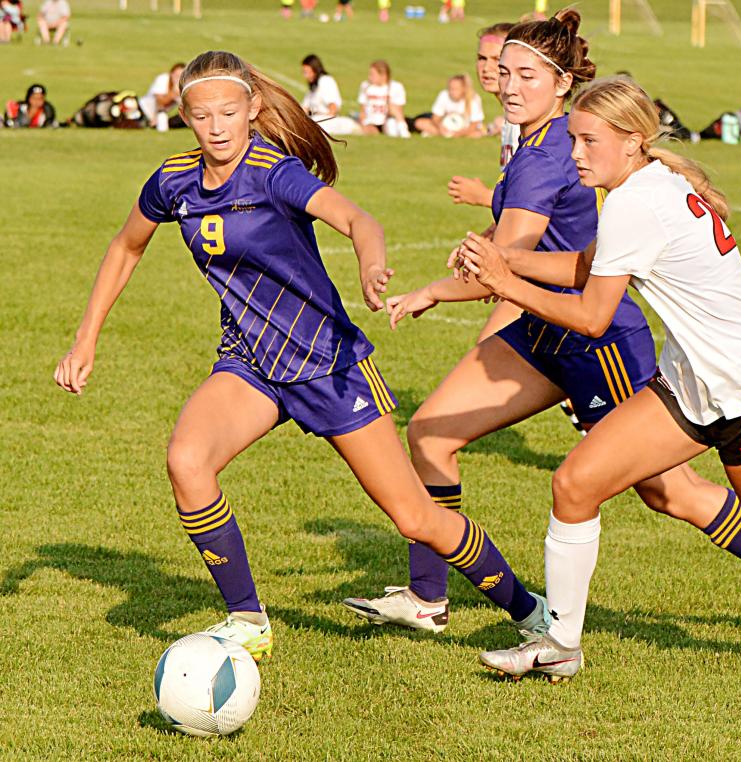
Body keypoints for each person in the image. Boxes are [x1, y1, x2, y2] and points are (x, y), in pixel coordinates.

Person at [342, 13, 741, 651]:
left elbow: (507, 265)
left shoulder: (548, 155)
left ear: (562, 82)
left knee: (670, 492)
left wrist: (439, 288)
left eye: (526, 75)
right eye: (503, 70)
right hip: (539, 327)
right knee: (432, 434)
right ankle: (430, 597)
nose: (507, 83)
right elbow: (521, 246)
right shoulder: (532, 142)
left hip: (591, 337)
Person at [53, 49, 552, 663]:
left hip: (327, 363)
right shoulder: (172, 182)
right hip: (251, 363)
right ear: (184, 115)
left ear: (252, 109)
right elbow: (126, 247)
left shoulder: (272, 172)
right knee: (187, 460)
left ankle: (530, 612)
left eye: (229, 113)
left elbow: (356, 218)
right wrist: (85, 339)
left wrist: (371, 264)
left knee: (415, 517)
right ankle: (246, 620)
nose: (216, 127)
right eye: (203, 115)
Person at [458, 75, 741, 681]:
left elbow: (593, 315)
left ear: (631, 141)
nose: (575, 152)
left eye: (588, 140)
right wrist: (506, 255)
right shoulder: (648, 183)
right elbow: (590, 265)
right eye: (572, 138)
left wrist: (503, 283)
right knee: (575, 484)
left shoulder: (637, 199)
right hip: (689, 391)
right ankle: (562, 643)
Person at [447, 21, 523, 343]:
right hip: (532, 254)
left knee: (491, 354)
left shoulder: (527, 121)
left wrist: (483, 197)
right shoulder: (509, 120)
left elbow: (540, 198)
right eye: (482, 59)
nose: (488, 68)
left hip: (554, 262)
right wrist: (494, 238)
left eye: (498, 60)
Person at [300, 54, 360, 134]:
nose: (305, 76)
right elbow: (304, 108)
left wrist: (317, 113)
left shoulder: (326, 81)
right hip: (316, 118)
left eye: (306, 72)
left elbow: (333, 109)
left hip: (327, 120)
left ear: (314, 70)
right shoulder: (313, 86)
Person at [412, 75, 484, 138]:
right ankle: (445, 135)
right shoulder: (444, 95)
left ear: (464, 89)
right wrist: (441, 127)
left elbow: (475, 123)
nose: (451, 92)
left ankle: (438, 135)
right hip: (445, 126)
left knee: (477, 134)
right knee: (419, 123)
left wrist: (460, 133)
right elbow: (436, 117)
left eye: (455, 89)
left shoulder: (474, 99)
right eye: (450, 88)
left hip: (465, 128)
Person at [358, 60, 408, 137]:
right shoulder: (365, 86)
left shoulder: (396, 87)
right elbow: (362, 111)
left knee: (392, 129)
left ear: (383, 75)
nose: (369, 77)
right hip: (371, 122)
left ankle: (403, 130)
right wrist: (363, 124)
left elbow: (399, 111)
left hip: (388, 119)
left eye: (372, 74)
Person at [139, 63, 185, 128]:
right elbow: (160, 102)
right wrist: (174, 93)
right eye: (176, 75)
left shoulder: (182, 88)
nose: (177, 79)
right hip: (142, 110)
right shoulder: (163, 79)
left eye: (181, 76)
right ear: (171, 74)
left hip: (157, 116)